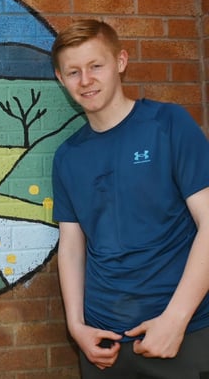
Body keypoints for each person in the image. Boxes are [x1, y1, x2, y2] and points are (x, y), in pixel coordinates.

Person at [51, 19, 209, 379]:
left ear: (120, 61)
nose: (85, 80)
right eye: (73, 72)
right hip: (104, 345)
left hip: (186, 334)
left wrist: (176, 319)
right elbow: (72, 247)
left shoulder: (167, 124)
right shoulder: (67, 156)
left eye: (95, 66)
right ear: (61, 80)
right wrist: (77, 327)